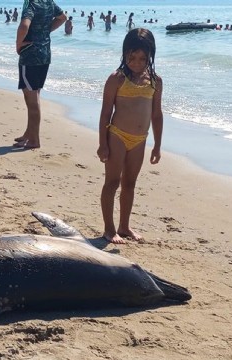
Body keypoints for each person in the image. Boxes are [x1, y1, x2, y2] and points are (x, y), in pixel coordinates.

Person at [97, 28, 162, 243]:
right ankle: (109, 228)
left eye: (143, 58)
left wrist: (157, 145)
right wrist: (102, 144)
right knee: (112, 182)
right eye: (132, 57)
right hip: (116, 136)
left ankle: (124, 226)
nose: (137, 62)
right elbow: (106, 112)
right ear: (125, 54)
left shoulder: (154, 81)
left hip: (140, 140)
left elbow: (156, 114)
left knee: (130, 184)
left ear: (150, 57)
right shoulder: (116, 79)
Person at [13, 0, 66, 149]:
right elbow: (62, 18)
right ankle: (29, 134)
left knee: (32, 100)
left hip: (30, 56)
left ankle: (34, 140)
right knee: (34, 95)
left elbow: (24, 25)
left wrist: (18, 44)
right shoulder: (48, 2)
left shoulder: (30, 3)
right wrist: (43, 31)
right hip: (45, 55)